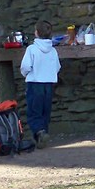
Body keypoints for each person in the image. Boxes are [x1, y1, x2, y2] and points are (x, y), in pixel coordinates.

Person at [20, 20, 61, 149]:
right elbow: (57, 67)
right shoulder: (53, 51)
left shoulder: (32, 49)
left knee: (34, 110)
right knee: (45, 110)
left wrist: (26, 74)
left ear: (36, 33)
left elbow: (26, 66)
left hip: (35, 82)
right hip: (48, 84)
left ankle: (39, 132)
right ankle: (42, 135)